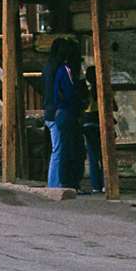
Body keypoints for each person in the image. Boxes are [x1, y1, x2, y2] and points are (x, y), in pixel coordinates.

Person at [41, 38, 83, 190]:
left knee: (56, 149)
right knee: (59, 150)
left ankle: (55, 182)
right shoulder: (62, 69)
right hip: (59, 111)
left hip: (48, 110)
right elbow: (67, 91)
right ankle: (55, 184)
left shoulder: (47, 68)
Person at [80, 64, 103, 195]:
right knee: (103, 156)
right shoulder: (101, 90)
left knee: (93, 157)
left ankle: (96, 185)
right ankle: (106, 183)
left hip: (88, 123)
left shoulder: (85, 91)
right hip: (99, 121)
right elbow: (114, 106)